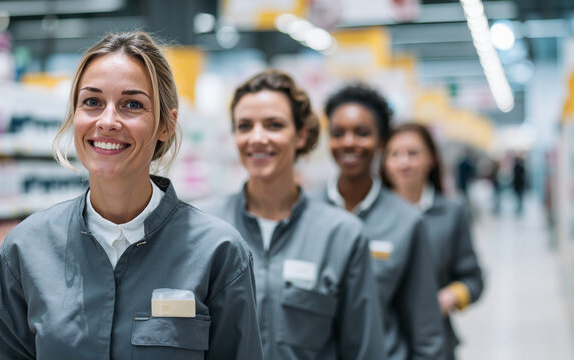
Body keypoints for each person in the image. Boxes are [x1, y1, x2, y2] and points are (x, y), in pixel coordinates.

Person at [0, 31, 263, 360]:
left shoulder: (218, 252)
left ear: (166, 125)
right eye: (92, 102)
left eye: (132, 104)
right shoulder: (26, 248)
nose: (107, 121)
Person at [198, 70, 386, 360]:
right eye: (245, 126)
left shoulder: (342, 235)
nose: (257, 138)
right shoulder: (203, 228)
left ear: (301, 135)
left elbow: (363, 350)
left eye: (274, 125)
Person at [319, 83, 445, 360]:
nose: (349, 142)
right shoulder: (305, 213)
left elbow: (426, 328)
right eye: (338, 133)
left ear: (381, 141)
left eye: (362, 133)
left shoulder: (407, 222)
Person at [380, 123, 484, 360]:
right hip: (384, 342)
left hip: (436, 341)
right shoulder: (372, 216)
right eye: (394, 154)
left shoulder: (451, 212)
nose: (403, 162)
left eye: (413, 153)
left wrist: (448, 297)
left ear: (432, 158)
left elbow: (474, 279)